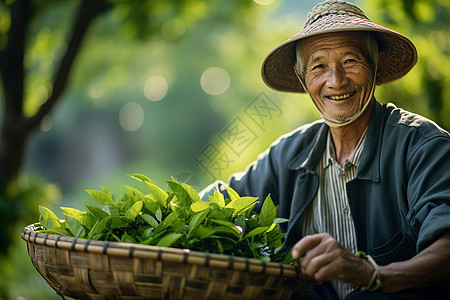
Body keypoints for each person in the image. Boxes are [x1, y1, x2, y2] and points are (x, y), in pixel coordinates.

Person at [201, 0, 450, 299]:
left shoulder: (422, 146)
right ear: (302, 78)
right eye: (319, 66)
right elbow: (216, 208)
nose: (336, 80)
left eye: (350, 61)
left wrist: (372, 275)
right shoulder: (287, 157)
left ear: (376, 66)